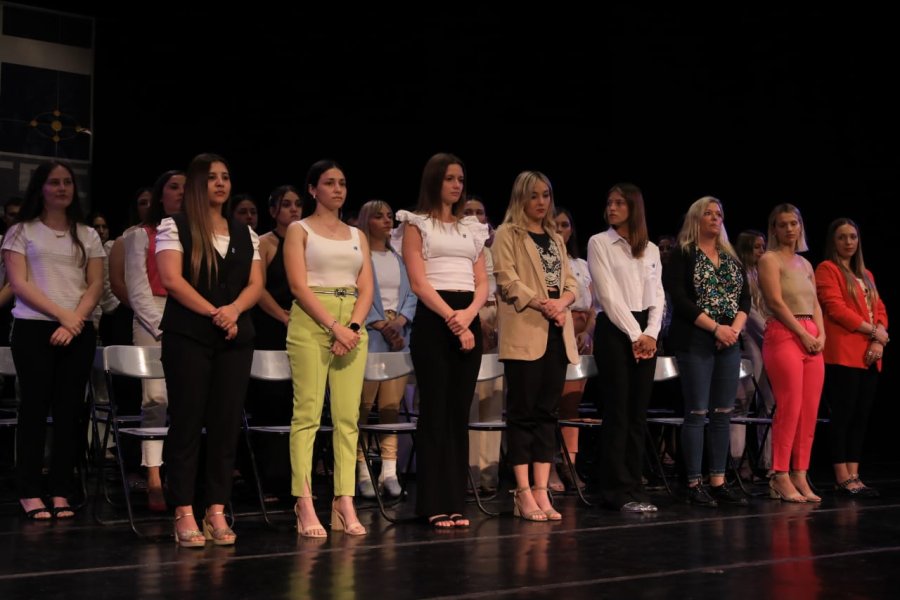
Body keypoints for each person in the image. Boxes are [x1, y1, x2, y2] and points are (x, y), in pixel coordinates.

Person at [156, 153, 262, 546]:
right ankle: (183, 509)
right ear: (198, 184)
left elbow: (255, 284)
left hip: (235, 338)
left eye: (226, 176)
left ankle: (216, 508)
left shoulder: (244, 232)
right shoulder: (176, 226)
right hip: (189, 336)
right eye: (212, 177)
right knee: (187, 422)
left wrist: (233, 310)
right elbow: (172, 279)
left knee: (225, 425)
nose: (221, 183)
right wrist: (215, 313)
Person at [2, 160, 104, 520]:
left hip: (76, 329)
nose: (62, 188)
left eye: (67, 183)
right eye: (53, 182)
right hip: (34, 328)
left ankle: (61, 489)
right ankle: (29, 491)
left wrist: (75, 321)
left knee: (68, 412)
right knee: (33, 409)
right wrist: (64, 316)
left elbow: (94, 284)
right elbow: (19, 284)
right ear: (40, 189)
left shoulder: (87, 234)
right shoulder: (21, 231)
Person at [398, 152, 489, 528]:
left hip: (468, 317)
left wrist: (468, 317)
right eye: (450, 178)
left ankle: (456, 502)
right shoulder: (416, 223)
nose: (457, 185)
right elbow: (419, 282)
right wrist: (454, 319)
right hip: (436, 321)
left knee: (457, 414)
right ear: (435, 181)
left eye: (460, 179)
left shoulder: (472, 227)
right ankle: (433, 503)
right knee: (434, 412)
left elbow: (483, 281)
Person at [284, 159, 373, 537]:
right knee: (306, 414)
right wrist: (333, 326)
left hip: (351, 320)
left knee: (347, 417)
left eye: (342, 183)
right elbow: (297, 286)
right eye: (329, 183)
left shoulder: (357, 234)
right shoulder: (298, 229)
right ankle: (303, 501)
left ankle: (343, 500)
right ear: (312, 189)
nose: (337, 189)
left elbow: (366, 285)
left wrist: (351, 326)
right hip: (312, 317)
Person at [494, 171, 578, 521]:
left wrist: (563, 302)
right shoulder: (507, 234)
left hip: (557, 332)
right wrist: (544, 303)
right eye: (534, 196)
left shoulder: (555, 238)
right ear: (521, 199)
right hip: (526, 333)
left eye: (545, 195)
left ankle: (543, 491)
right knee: (523, 414)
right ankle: (522, 492)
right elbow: (506, 280)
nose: (541, 202)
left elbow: (570, 281)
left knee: (547, 414)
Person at [663, 197, 749, 507]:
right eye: (708, 214)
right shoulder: (683, 254)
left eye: (719, 214)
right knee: (697, 412)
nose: (715, 218)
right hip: (696, 339)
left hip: (729, 340)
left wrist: (732, 332)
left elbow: (745, 301)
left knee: (723, 414)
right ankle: (693, 482)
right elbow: (680, 300)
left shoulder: (730, 258)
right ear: (696, 219)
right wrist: (716, 328)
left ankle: (717, 481)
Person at [586, 182, 664, 512]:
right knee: (617, 411)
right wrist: (636, 336)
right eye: (609, 202)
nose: (612, 208)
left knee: (637, 413)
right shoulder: (599, 243)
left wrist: (652, 333)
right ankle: (615, 489)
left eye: (620, 202)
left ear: (634, 207)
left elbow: (658, 295)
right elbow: (607, 296)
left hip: (644, 332)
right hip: (615, 330)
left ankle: (635, 484)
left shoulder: (651, 249)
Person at [123, 169, 185, 511]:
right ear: (161, 195)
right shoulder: (140, 234)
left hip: (187, 313)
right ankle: (154, 476)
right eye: (173, 187)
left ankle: (182, 473)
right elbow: (136, 288)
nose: (180, 193)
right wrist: (163, 328)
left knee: (185, 401)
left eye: (186, 189)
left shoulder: (194, 235)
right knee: (156, 398)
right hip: (154, 317)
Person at [815, 218, 888, 497]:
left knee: (861, 416)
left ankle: (855, 474)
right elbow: (835, 308)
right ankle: (841, 476)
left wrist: (878, 338)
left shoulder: (866, 274)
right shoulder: (827, 269)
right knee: (843, 416)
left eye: (853, 237)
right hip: (843, 353)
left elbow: (879, 308)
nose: (848, 242)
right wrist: (874, 331)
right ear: (833, 242)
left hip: (870, 353)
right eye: (842, 237)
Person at [758, 203, 825, 503]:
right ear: (774, 228)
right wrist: (801, 333)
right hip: (785, 333)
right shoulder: (769, 259)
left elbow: (816, 305)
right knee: (790, 406)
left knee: (809, 411)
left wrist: (820, 334)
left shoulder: (806, 264)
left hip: (811, 335)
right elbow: (773, 301)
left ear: (800, 227)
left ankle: (800, 472)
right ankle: (780, 475)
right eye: (782, 224)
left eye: (793, 223)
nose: (789, 229)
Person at [355, 199, 417, 499]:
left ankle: (389, 471)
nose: (386, 221)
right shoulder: (360, 256)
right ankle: (364, 471)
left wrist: (402, 320)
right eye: (379, 216)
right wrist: (379, 324)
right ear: (366, 220)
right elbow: (356, 291)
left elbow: (412, 291)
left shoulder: (398, 258)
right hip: (371, 335)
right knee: (364, 407)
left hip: (399, 336)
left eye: (390, 216)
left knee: (391, 407)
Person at [462, 195, 503, 495]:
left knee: (494, 400)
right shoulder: (460, 251)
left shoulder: (495, 251)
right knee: (470, 400)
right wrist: (479, 322)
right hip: (469, 318)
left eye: (480, 211)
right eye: (468, 211)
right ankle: (469, 473)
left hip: (499, 320)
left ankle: (490, 474)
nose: (476, 216)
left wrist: (499, 323)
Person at [552, 206, 595, 491]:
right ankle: (549, 468)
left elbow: (595, 304)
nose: (560, 230)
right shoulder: (545, 262)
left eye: (565, 225)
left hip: (582, 338)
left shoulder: (581, 264)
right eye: (555, 225)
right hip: (556, 332)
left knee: (571, 405)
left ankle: (570, 464)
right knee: (548, 404)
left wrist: (589, 331)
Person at [732, 230, 775, 476]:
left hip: (769, 343)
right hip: (748, 344)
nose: (762, 251)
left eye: (763, 246)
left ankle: (768, 462)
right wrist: (772, 329)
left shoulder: (765, 275)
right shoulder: (740, 275)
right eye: (757, 247)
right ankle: (738, 462)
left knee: (768, 404)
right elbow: (750, 314)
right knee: (742, 402)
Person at [253, 185, 303, 350]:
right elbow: (257, 289)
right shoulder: (263, 243)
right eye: (287, 205)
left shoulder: (310, 243)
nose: (294, 209)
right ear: (273, 211)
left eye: (298, 204)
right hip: (271, 321)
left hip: (304, 320)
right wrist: (283, 316)